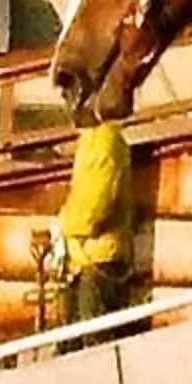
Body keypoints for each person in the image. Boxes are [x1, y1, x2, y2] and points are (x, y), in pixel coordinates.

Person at [52, 120, 136, 326]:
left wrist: (62, 225)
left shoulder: (103, 143)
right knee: (76, 344)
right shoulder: (92, 140)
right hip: (85, 259)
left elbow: (92, 211)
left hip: (98, 262)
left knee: (94, 347)